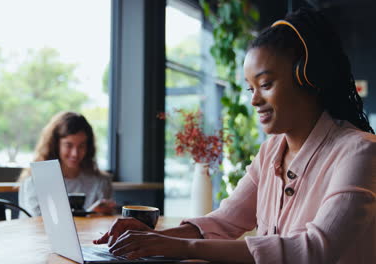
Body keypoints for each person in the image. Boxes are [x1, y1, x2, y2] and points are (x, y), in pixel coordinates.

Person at [93, 8, 376, 264]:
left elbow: (313, 250)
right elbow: (223, 222)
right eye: (250, 88)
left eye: (265, 84)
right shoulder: (271, 152)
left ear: (308, 77)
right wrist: (152, 238)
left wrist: (181, 247)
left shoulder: (359, 152)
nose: (254, 100)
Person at [18, 111, 115, 216]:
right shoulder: (36, 179)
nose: (75, 153)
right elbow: (39, 222)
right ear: (55, 145)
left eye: (81, 146)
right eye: (68, 145)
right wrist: (88, 214)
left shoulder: (100, 182)